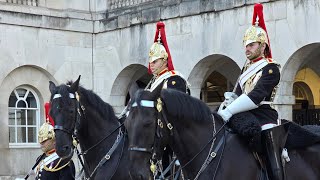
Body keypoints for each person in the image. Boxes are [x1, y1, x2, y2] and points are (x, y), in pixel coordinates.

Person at [217, 3, 287, 180]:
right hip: (243, 114)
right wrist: (225, 105)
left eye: (252, 45)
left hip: (264, 115)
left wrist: (230, 110)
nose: (247, 48)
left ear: (263, 46)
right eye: (245, 45)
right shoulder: (245, 69)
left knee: (270, 147)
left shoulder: (271, 69)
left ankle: (275, 176)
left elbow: (256, 97)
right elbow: (239, 94)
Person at [146, 21, 189, 178]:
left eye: (155, 61)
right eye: (150, 61)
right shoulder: (152, 83)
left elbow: (176, 111)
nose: (151, 65)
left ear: (164, 60)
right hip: (155, 133)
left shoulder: (173, 80)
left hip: (174, 132)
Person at [33, 103, 75, 180]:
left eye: (45, 140)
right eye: (41, 141)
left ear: (54, 140)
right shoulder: (40, 159)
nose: (41, 143)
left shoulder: (63, 161)